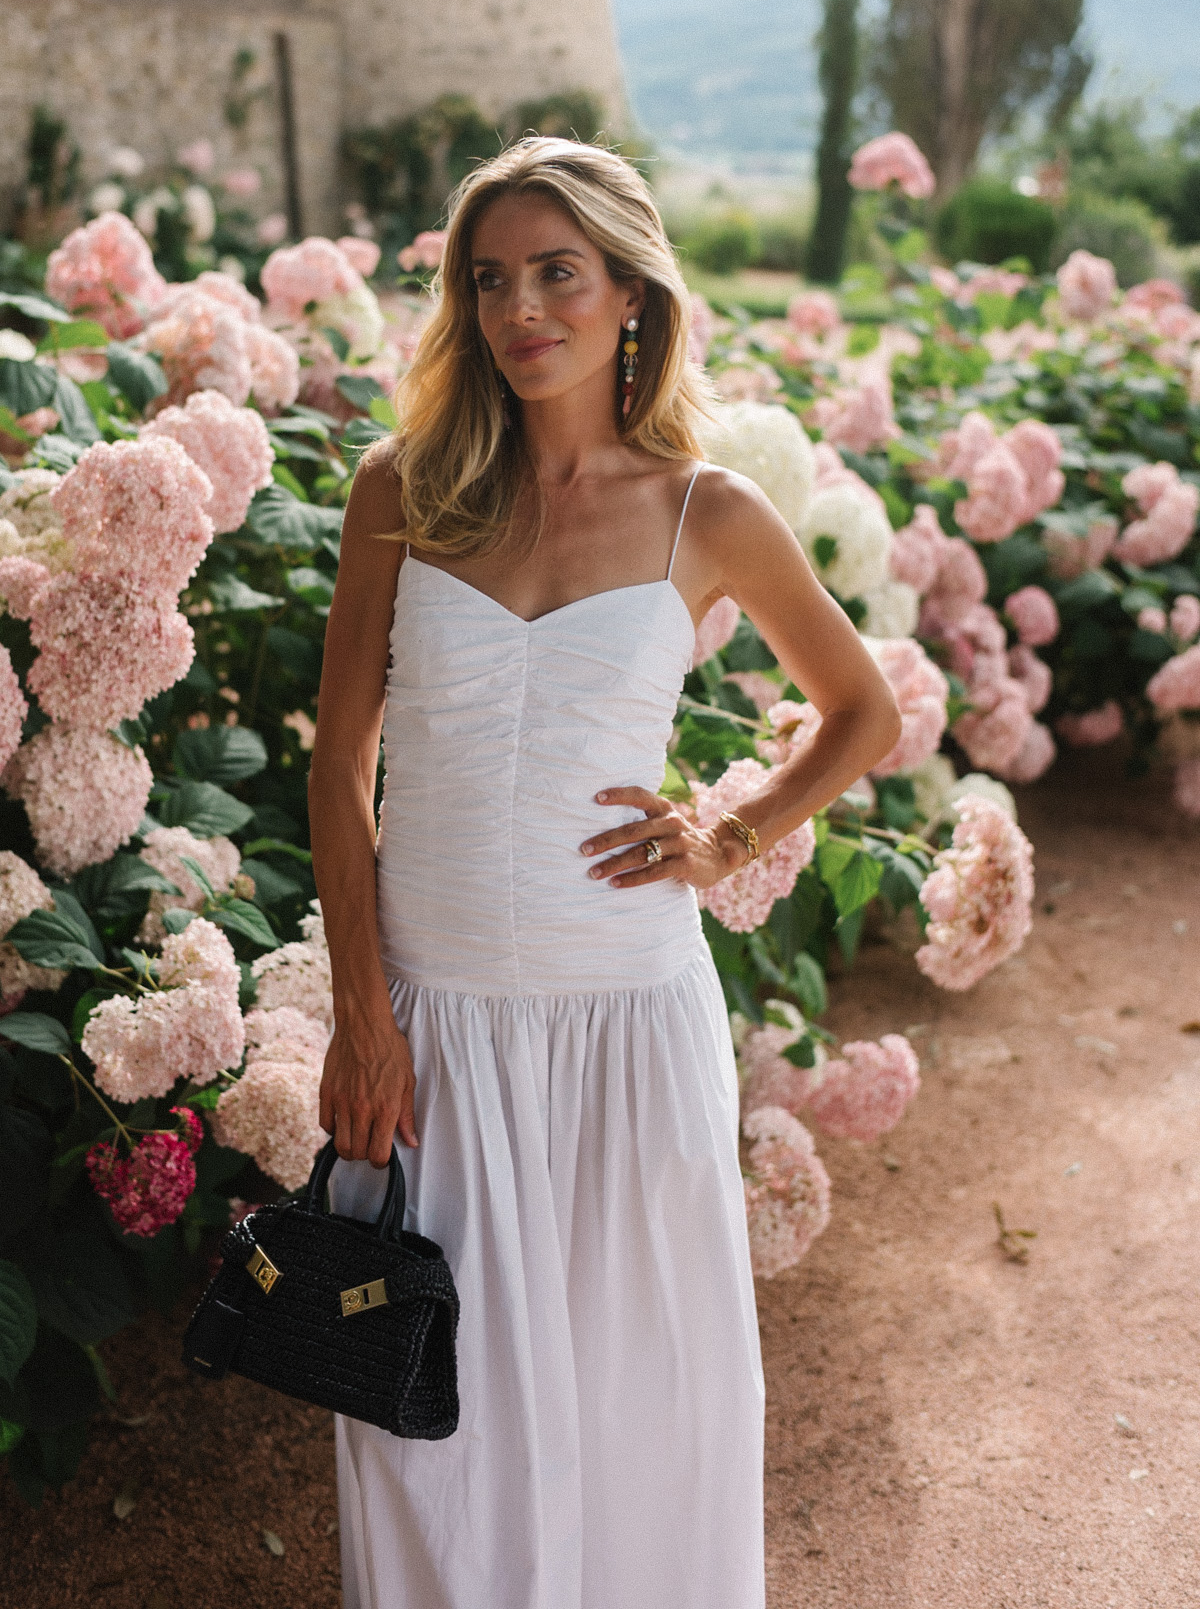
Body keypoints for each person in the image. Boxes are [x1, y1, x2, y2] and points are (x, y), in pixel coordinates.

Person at [308, 137, 902, 1609]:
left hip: (627, 1023)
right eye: (491, 279)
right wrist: (362, 1014)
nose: (523, 311)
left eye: (558, 274)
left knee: (643, 1411)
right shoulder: (401, 489)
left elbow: (863, 709)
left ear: (630, 291)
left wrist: (733, 833)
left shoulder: (708, 512)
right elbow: (341, 765)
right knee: (427, 1432)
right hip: (434, 1026)